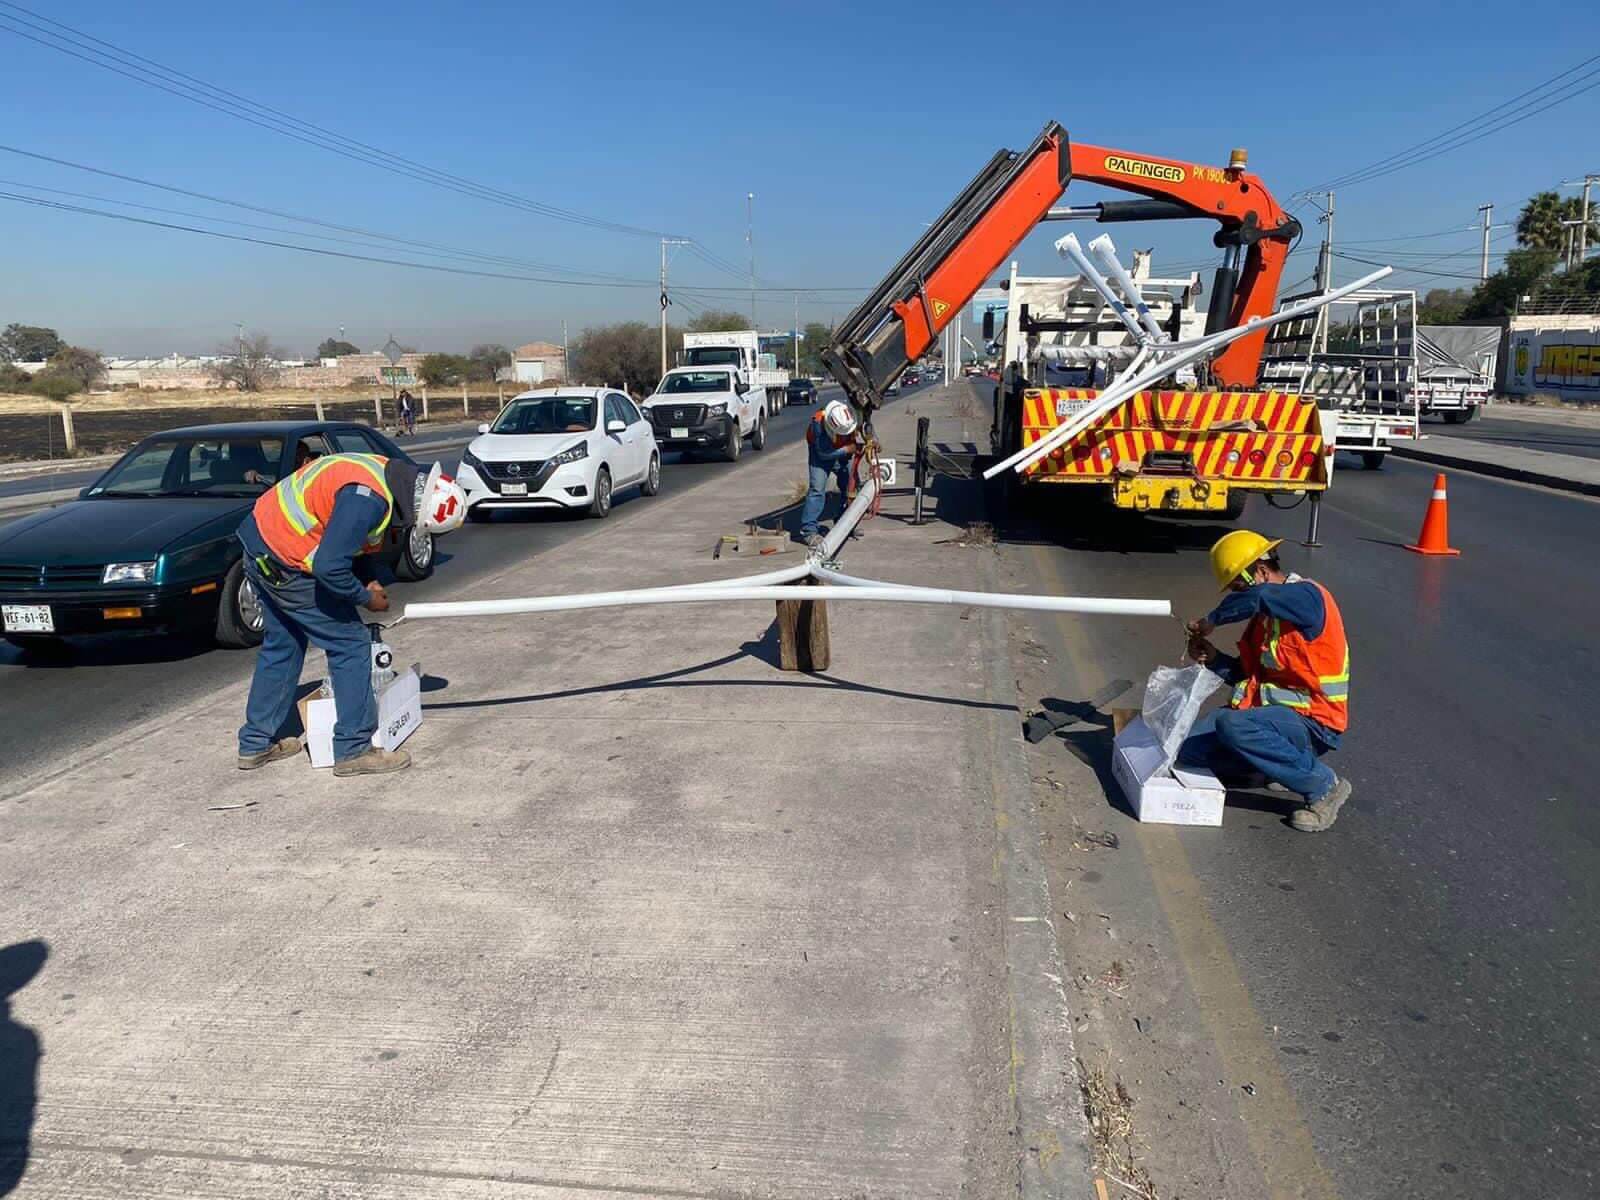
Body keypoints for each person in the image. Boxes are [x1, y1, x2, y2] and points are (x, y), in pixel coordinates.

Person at [235, 453, 466, 776]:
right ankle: (353, 749)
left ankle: (255, 743)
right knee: (352, 645)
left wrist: (367, 576)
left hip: (262, 541)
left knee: (283, 644)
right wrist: (365, 597)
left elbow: (350, 538)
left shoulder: (385, 474)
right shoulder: (367, 500)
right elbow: (329, 566)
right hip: (287, 559)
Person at [1181, 529, 1353, 832]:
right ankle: (1273, 767)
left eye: (1238, 587)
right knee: (1186, 750)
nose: (1237, 596)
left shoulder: (1307, 597)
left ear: (1260, 571)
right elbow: (1249, 679)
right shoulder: (1265, 619)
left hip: (1313, 724)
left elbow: (1259, 595)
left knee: (1232, 725)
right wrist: (1213, 658)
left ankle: (1324, 786)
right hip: (1271, 720)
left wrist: (1211, 621)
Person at [799, 399, 861, 548]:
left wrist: (872, 441)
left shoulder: (848, 418)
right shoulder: (817, 425)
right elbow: (823, 454)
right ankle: (809, 531)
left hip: (841, 449)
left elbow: (865, 431)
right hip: (821, 454)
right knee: (817, 490)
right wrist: (847, 450)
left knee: (850, 486)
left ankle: (844, 521)